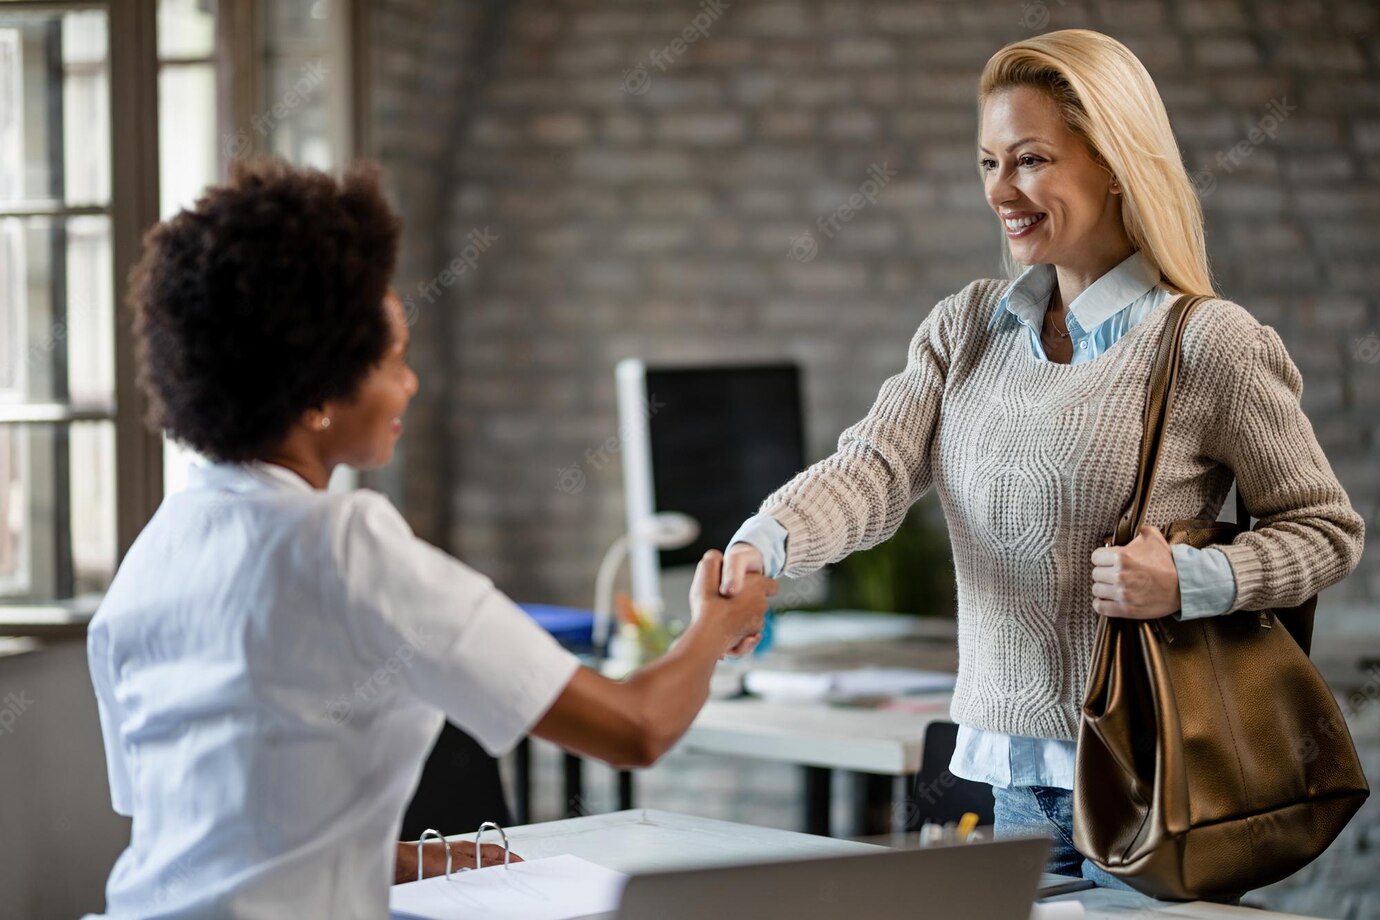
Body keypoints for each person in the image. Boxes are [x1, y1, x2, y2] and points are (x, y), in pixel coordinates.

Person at [719, 29, 1364, 891]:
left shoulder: (1209, 343)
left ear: (1113, 163)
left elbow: (1327, 531)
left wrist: (1190, 579)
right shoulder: (967, 327)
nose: (1002, 190)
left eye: (1029, 159)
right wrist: (763, 546)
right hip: (1002, 780)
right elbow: (871, 469)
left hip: (1153, 777)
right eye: (988, 163)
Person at [86, 159, 775, 919]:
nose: (409, 384)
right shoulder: (344, 542)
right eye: (392, 360)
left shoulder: (158, 548)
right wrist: (717, 627)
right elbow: (637, 729)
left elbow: (212, 838)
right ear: (319, 386)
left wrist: (409, 858)